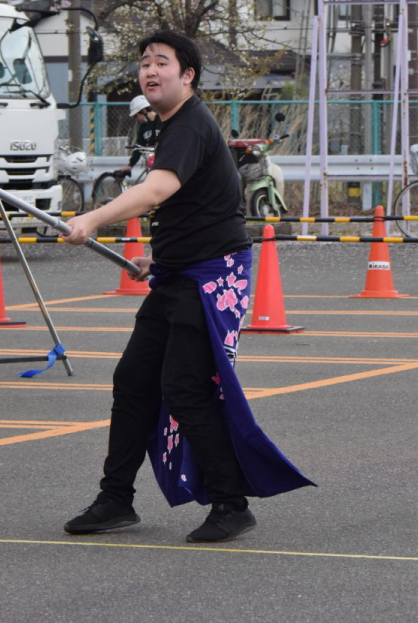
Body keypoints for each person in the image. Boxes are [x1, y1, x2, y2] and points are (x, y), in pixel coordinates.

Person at [64, 29, 313, 544]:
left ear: (188, 75)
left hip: (209, 281)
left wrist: (92, 218)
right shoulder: (175, 127)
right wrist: (158, 258)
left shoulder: (189, 125)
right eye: (144, 64)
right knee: (132, 381)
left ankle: (231, 503)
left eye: (162, 62)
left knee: (184, 387)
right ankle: (116, 499)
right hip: (178, 277)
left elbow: (157, 189)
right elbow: (198, 207)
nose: (149, 71)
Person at [112, 94, 162, 181]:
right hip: (151, 164)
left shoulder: (162, 121)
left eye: (136, 115)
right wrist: (130, 165)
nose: (137, 119)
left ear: (143, 111)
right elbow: (139, 146)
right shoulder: (143, 127)